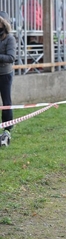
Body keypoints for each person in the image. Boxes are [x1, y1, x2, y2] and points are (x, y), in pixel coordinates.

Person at [0, 11, 16, 147]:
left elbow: (11, 58)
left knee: (6, 102)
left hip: (5, 74)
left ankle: (8, 128)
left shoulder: (9, 38)